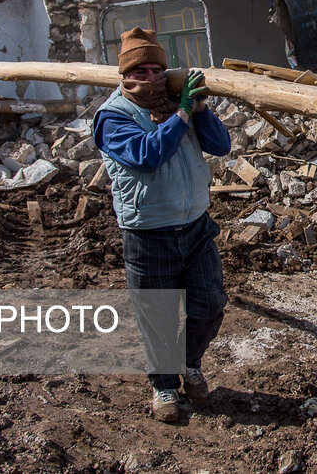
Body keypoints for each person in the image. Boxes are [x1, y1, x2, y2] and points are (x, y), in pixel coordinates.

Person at [91, 26, 231, 423]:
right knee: (159, 317)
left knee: (210, 303)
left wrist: (199, 110)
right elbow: (148, 155)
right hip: (148, 232)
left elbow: (221, 146)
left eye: (157, 70)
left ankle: (188, 363)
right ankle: (164, 386)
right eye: (141, 72)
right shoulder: (112, 116)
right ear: (125, 76)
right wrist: (183, 113)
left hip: (195, 226)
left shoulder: (175, 104)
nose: (152, 78)